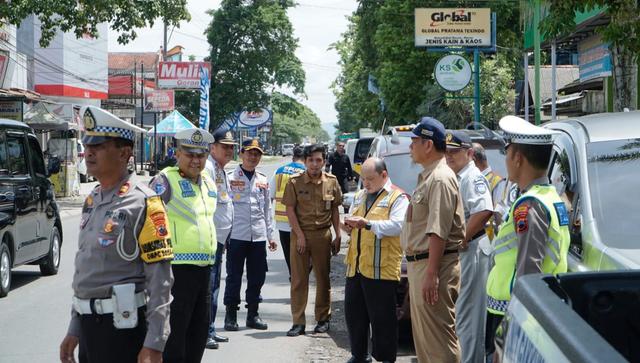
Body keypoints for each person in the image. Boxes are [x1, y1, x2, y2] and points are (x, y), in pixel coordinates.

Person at [59, 106, 173, 363]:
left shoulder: (144, 202)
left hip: (123, 331)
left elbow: (160, 280)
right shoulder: (92, 199)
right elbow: (87, 271)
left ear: (124, 153)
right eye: (87, 144)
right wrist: (75, 328)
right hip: (89, 327)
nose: (88, 152)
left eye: (98, 145)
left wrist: (155, 342)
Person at [485, 116, 570, 359]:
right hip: (532, 308)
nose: (506, 160)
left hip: (514, 313)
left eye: (506, 152)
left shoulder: (530, 205)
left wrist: (517, 322)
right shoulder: (550, 196)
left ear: (517, 157)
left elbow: (528, 270)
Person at [400, 117, 466, 363]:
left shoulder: (439, 178)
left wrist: (431, 272)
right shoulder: (429, 176)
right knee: (426, 344)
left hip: (433, 265)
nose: (410, 147)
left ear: (428, 145)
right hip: (423, 265)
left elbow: (438, 230)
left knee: (439, 342)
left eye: (414, 141)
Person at [150, 128, 217, 363]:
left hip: (205, 269)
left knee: (198, 336)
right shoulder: (164, 180)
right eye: (190, 155)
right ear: (177, 153)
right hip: (176, 270)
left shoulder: (209, 182)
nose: (196, 160)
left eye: (201, 155)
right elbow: (147, 223)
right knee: (174, 339)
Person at [342, 157, 409, 363]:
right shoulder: (361, 195)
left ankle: (385, 358)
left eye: (370, 179)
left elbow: (398, 225)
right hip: (357, 267)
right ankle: (358, 355)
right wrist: (348, 225)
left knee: (383, 320)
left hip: (381, 269)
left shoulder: (398, 197)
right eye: (363, 179)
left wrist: (368, 224)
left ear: (384, 175)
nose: (366, 183)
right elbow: (353, 218)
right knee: (355, 316)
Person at [283, 144, 342, 337]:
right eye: (311, 160)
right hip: (300, 234)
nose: (315, 164)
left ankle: (322, 319)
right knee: (299, 279)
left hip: (322, 235)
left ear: (324, 161)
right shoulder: (294, 182)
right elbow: (289, 210)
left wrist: (338, 234)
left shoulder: (332, 182)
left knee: (323, 278)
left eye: (318, 160)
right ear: (305, 161)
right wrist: (299, 235)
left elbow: (334, 209)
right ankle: (298, 322)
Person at [445, 131, 494, 363]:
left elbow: (484, 210)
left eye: (455, 151)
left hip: (472, 249)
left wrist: (462, 238)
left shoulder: (472, 177)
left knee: (469, 319)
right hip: (462, 252)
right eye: (447, 152)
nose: (449, 156)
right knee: (459, 316)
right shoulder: (456, 175)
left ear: (469, 153)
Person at [223, 139, 277, 331]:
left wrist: (270, 235)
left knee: (257, 276)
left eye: (257, 154)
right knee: (234, 276)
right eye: (250, 153)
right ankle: (231, 315)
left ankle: (253, 314)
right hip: (236, 234)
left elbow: (267, 208)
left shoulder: (262, 179)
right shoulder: (229, 177)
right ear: (241, 154)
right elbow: (224, 209)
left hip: (258, 235)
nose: (253, 157)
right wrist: (223, 236)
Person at [203, 130, 237, 349]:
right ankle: (205, 332)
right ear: (212, 147)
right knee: (209, 287)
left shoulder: (220, 170)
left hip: (220, 239)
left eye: (231, 147)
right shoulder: (207, 168)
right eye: (225, 146)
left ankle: (210, 329)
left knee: (214, 285)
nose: (229, 150)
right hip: (210, 239)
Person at [270, 145, 306, 279]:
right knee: (303, 257)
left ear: (293, 157)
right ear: (305, 158)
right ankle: (299, 280)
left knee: (289, 256)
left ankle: (294, 278)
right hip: (301, 222)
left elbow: (271, 196)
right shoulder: (307, 171)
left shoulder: (279, 171)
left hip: (282, 222)